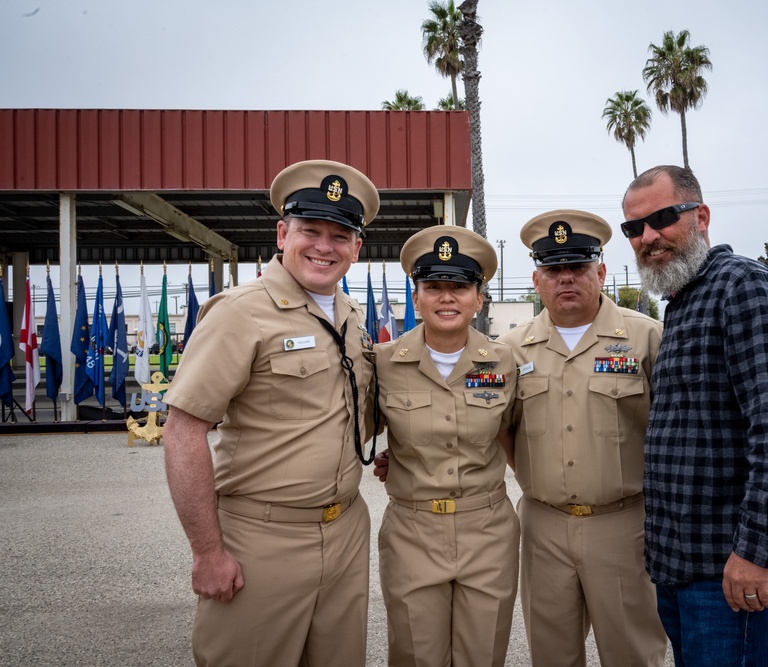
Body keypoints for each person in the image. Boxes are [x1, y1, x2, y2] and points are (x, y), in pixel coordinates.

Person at [162, 159, 379, 667]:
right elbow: (183, 431)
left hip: (346, 532)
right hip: (263, 541)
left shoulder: (350, 316)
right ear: (283, 233)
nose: (324, 247)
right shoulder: (239, 311)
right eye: (310, 231)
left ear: (356, 248)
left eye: (339, 236)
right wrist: (207, 553)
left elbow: (354, 411)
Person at [621, 165, 768, 666]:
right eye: (634, 228)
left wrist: (757, 553)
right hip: (686, 570)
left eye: (663, 218)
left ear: (701, 215)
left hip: (735, 574)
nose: (648, 237)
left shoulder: (744, 288)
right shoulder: (684, 302)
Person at [496, 210, 669, 666]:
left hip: (624, 525)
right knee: (551, 656)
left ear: (602, 272)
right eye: (554, 269)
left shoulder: (647, 339)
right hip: (543, 525)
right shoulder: (512, 350)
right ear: (537, 279)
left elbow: (671, 430)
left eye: (579, 267)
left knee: (631, 653)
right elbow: (502, 430)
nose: (566, 278)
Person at [373, 225, 520, 667]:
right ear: (415, 298)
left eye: (459, 286)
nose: (447, 297)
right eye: (433, 286)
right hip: (413, 531)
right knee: (417, 654)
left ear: (479, 297)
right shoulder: (382, 363)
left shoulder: (506, 361)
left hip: (488, 530)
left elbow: (512, 432)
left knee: (483, 655)